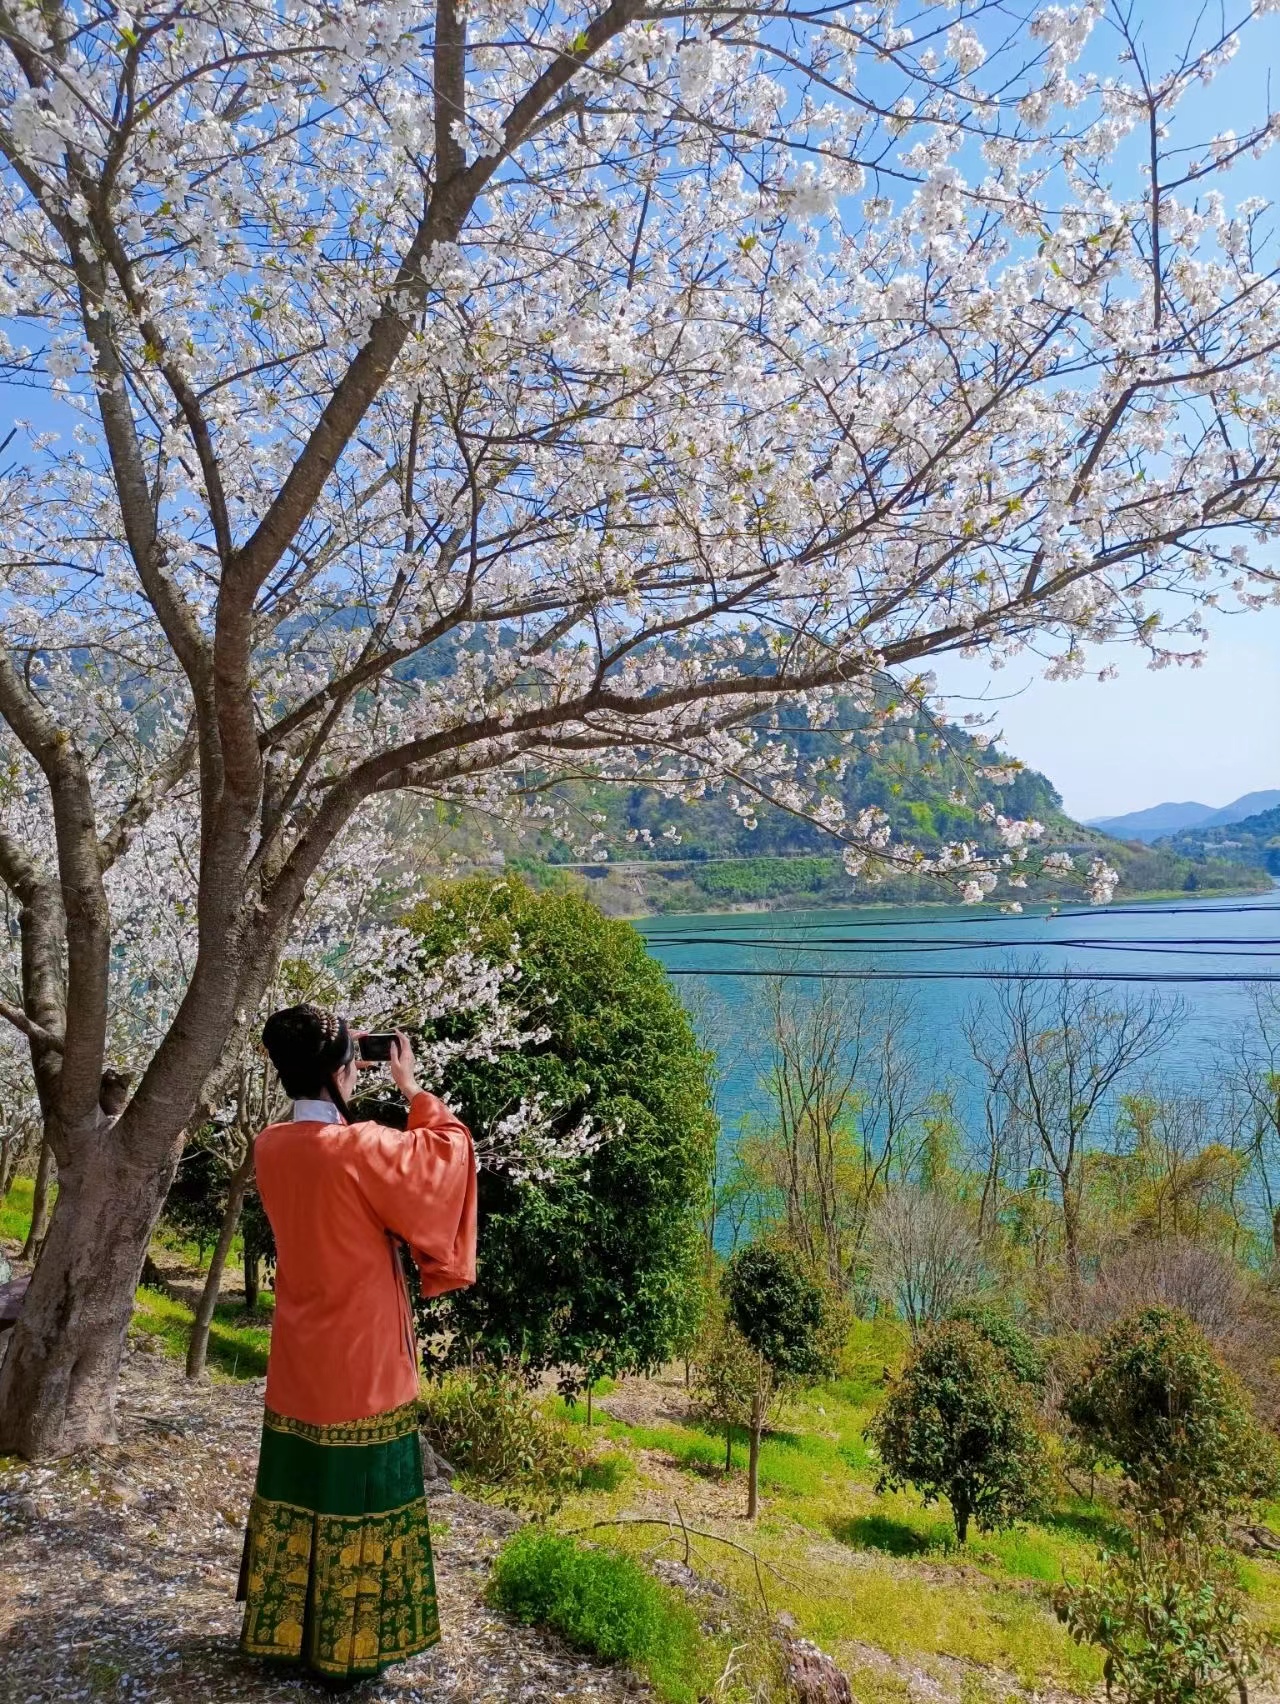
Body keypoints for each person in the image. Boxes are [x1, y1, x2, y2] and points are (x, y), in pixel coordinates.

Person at [237, 1003, 476, 1682]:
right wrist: (414, 1090)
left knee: (302, 1486)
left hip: (299, 1352)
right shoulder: (362, 1145)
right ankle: (350, 1654)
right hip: (363, 1353)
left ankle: (289, 1636)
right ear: (345, 1069)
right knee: (363, 1496)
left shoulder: (269, 1146)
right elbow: (446, 1157)